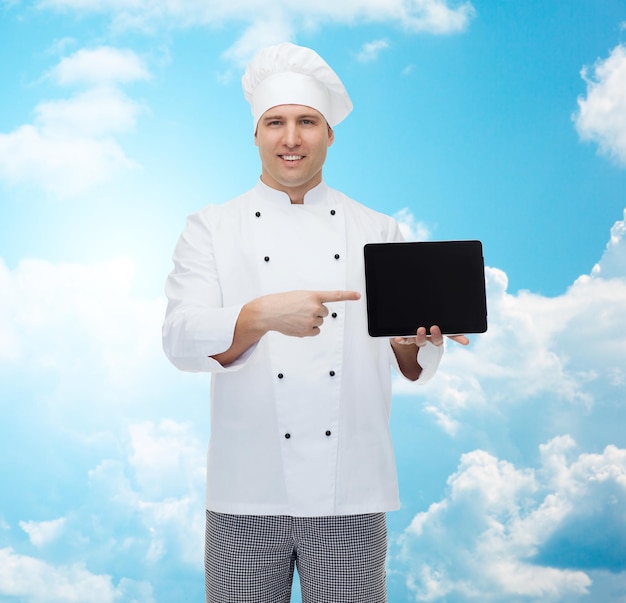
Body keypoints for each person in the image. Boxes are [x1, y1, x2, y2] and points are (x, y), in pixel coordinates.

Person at [162, 42, 468, 603]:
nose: (291, 138)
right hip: (244, 492)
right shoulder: (211, 227)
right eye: (275, 122)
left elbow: (412, 363)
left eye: (307, 121)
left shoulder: (379, 228)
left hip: (350, 488)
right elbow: (180, 338)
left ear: (330, 134)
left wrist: (413, 341)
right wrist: (259, 316)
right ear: (255, 134)